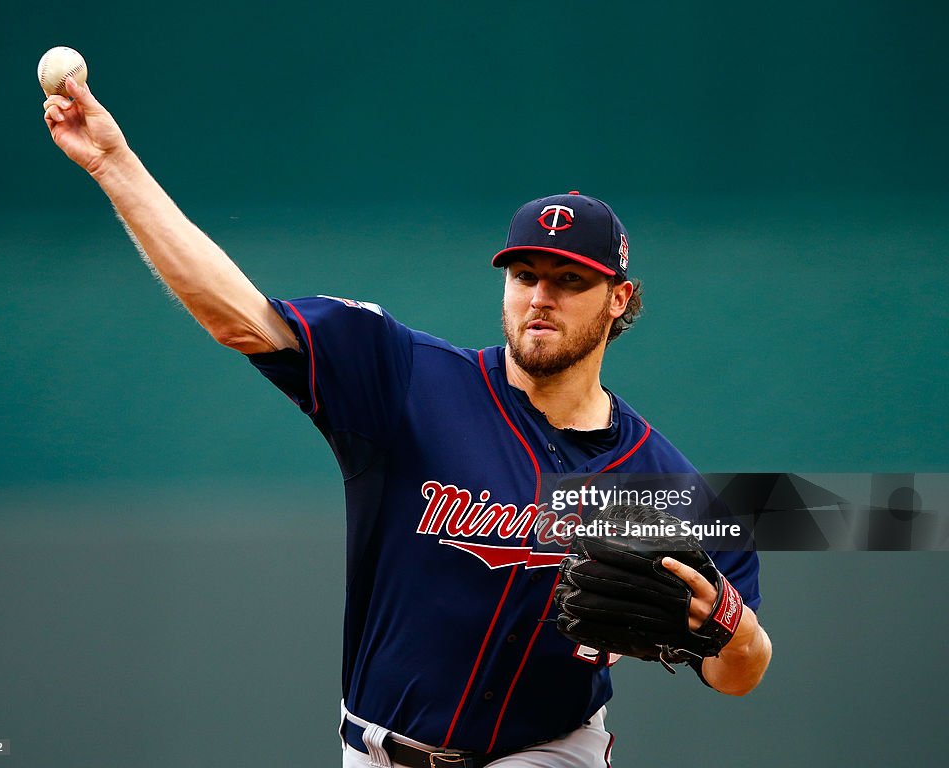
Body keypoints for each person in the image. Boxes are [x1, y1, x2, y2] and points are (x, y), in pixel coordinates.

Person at [43, 76, 772, 768]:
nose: (540, 297)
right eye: (525, 276)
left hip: (551, 748)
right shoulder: (407, 380)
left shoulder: (656, 480)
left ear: (619, 299)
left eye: (571, 281)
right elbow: (238, 316)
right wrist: (114, 165)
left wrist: (728, 625)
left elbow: (742, 670)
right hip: (379, 749)